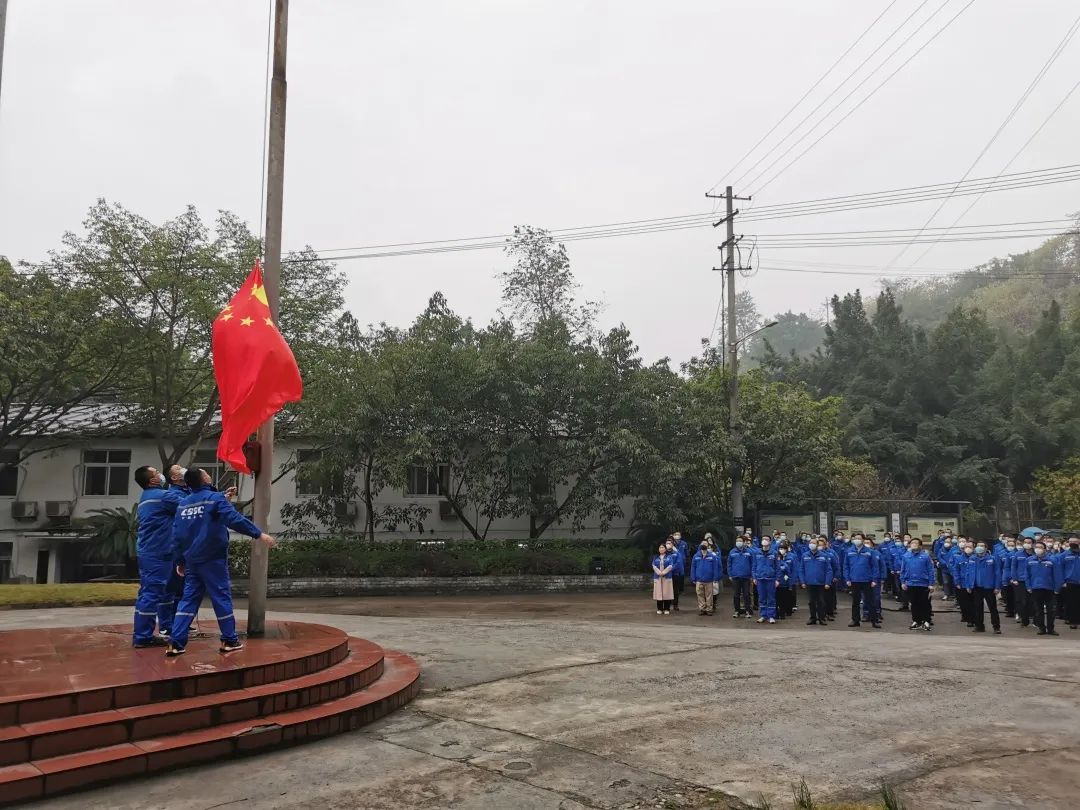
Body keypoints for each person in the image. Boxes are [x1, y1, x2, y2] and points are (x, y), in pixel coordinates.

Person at [165, 468, 275, 656]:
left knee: (188, 600)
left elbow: (177, 536)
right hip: (212, 559)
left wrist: (180, 561)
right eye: (206, 473)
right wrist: (259, 534)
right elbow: (234, 519)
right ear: (203, 479)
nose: (209, 475)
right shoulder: (214, 499)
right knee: (221, 597)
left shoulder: (183, 504)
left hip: (192, 561)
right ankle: (229, 640)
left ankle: (176, 643)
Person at [131, 465, 183, 648]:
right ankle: (143, 637)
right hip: (157, 552)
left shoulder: (146, 498)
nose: (160, 475)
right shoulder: (162, 496)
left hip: (151, 551)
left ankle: (158, 630)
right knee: (151, 594)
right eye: (157, 473)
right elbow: (191, 504)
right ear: (153, 480)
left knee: (154, 593)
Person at [960, 540, 1002, 634]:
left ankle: (996, 627)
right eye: (978, 545)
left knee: (992, 608)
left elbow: (997, 573)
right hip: (977, 587)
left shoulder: (992, 559)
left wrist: (997, 587)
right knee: (978, 607)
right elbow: (968, 573)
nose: (980, 547)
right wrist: (968, 585)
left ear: (986, 548)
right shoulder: (972, 559)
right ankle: (979, 626)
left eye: (982, 546)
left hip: (989, 587)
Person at [1027, 541, 1062, 636]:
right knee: (1038, 610)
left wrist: (1057, 588)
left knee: (1051, 610)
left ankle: (1051, 629)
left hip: (1049, 589)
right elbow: (1027, 575)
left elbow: (1058, 575)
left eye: (1040, 547)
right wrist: (1028, 586)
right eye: (1036, 547)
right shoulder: (1030, 560)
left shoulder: (1052, 560)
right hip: (1035, 588)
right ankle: (1041, 628)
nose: (1038, 549)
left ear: (1045, 549)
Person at [844, 534, 879, 628]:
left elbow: (875, 566)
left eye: (859, 538)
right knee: (855, 602)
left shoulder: (869, 551)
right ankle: (855, 620)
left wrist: (874, 579)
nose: (857, 540)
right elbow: (846, 566)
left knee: (870, 601)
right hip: (854, 580)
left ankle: (874, 620)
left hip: (867, 580)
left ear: (863, 540)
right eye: (855, 538)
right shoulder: (849, 551)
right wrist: (847, 578)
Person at [900, 537, 934, 630]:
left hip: (923, 584)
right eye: (912, 543)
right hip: (910, 583)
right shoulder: (906, 556)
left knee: (924, 603)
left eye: (916, 543)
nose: (914, 544)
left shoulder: (925, 556)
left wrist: (931, 584)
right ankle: (916, 621)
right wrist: (903, 582)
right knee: (914, 603)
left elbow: (930, 570)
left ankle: (926, 621)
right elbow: (903, 570)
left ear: (920, 545)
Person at [797, 537, 833, 626]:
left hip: (821, 583)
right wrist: (802, 581)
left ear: (817, 545)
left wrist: (827, 582)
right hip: (809, 583)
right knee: (811, 602)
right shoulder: (805, 555)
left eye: (813, 543)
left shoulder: (824, 556)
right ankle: (812, 618)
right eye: (810, 543)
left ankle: (821, 618)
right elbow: (801, 569)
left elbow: (829, 570)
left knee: (821, 601)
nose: (811, 545)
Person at [751, 535, 779, 624]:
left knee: (771, 598)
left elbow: (777, 567)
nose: (765, 541)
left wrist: (777, 579)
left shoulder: (774, 553)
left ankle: (771, 616)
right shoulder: (757, 553)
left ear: (770, 542)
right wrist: (754, 577)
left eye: (767, 539)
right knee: (762, 598)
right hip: (760, 578)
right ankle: (763, 615)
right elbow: (754, 566)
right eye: (763, 539)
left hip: (771, 579)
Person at [1010, 537, 1036, 627]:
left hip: (1034, 580)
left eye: (1029, 542)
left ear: (1033, 544)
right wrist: (1014, 578)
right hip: (1021, 580)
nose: (1027, 544)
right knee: (1023, 601)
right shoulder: (1018, 554)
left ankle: (1036, 620)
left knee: (1034, 601)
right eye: (1025, 542)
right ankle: (1024, 621)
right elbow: (1013, 567)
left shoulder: (1036, 554)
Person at [690, 541, 720, 616]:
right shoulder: (696, 556)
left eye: (705, 544)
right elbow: (693, 567)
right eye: (702, 544)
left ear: (708, 545)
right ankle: (702, 609)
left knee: (709, 595)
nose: (704, 545)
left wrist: (715, 577)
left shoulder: (712, 556)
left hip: (709, 579)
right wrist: (693, 578)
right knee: (700, 594)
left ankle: (709, 609)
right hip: (699, 579)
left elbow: (715, 567)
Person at [727, 535, 754, 618]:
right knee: (736, 595)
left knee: (746, 594)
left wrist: (752, 575)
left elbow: (753, 564)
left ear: (744, 542)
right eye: (737, 541)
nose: (738, 542)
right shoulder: (732, 552)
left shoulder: (749, 552)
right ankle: (737, 611)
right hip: (735, 576)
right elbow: (729, 564)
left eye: (740, 541)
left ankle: (747, 611)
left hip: (746, 577)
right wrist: (730, 574)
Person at [1061, 536, 1080, 630]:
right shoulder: (1064, 555)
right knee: (1072, 602)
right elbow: (1060, 569)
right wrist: (1062, 581)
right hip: (1070, 582)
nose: (1073, 543)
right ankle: (1073, 621)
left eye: (1075, 541)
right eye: (1071, 541)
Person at [997, 536, 1018, 618]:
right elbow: (1000, 567)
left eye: (1012, 545)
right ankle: (1009, 610)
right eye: (1009, 545)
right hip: (1005, 577)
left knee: (1016, 596)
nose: (1010, 547)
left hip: (1015, 578)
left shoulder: (1017, 554)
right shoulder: (1002, 554)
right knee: (1008, 596)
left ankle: (1017, 611)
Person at [652, 542, 674, 615]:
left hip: (666, 577)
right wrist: (659, 572)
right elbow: (654, 566)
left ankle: (667, 608)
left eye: (662, 547)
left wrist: (663, 572)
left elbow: (670, 566)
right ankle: (659, 608)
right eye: (660, 547)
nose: (661, 549)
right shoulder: (655, 557)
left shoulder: (669, 557)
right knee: (659, 593)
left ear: (665, 549)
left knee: (666, 593)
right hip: (658, 577)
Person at [775, 543, 797, 619]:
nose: (781, 550)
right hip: (775, 584)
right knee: (776, 599)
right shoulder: (774, 564)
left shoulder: (788, 561)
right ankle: (776, 614)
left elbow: (790, 572)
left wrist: (790, 582)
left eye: (783, 549)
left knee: (785, 598)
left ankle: (784, 612)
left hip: (784, 584)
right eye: (780, 549)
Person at [665, 538, 683, 612]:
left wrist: (670, 569)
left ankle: (675, 605)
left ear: (672, 545)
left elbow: (678, 563)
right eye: (667, 543)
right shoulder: (664, 553)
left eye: (669, 543)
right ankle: (667, 605)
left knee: (675, 590)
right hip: (666, 575)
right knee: (667, 590)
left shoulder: (677, 553)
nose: (668, 545)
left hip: (675, 574)